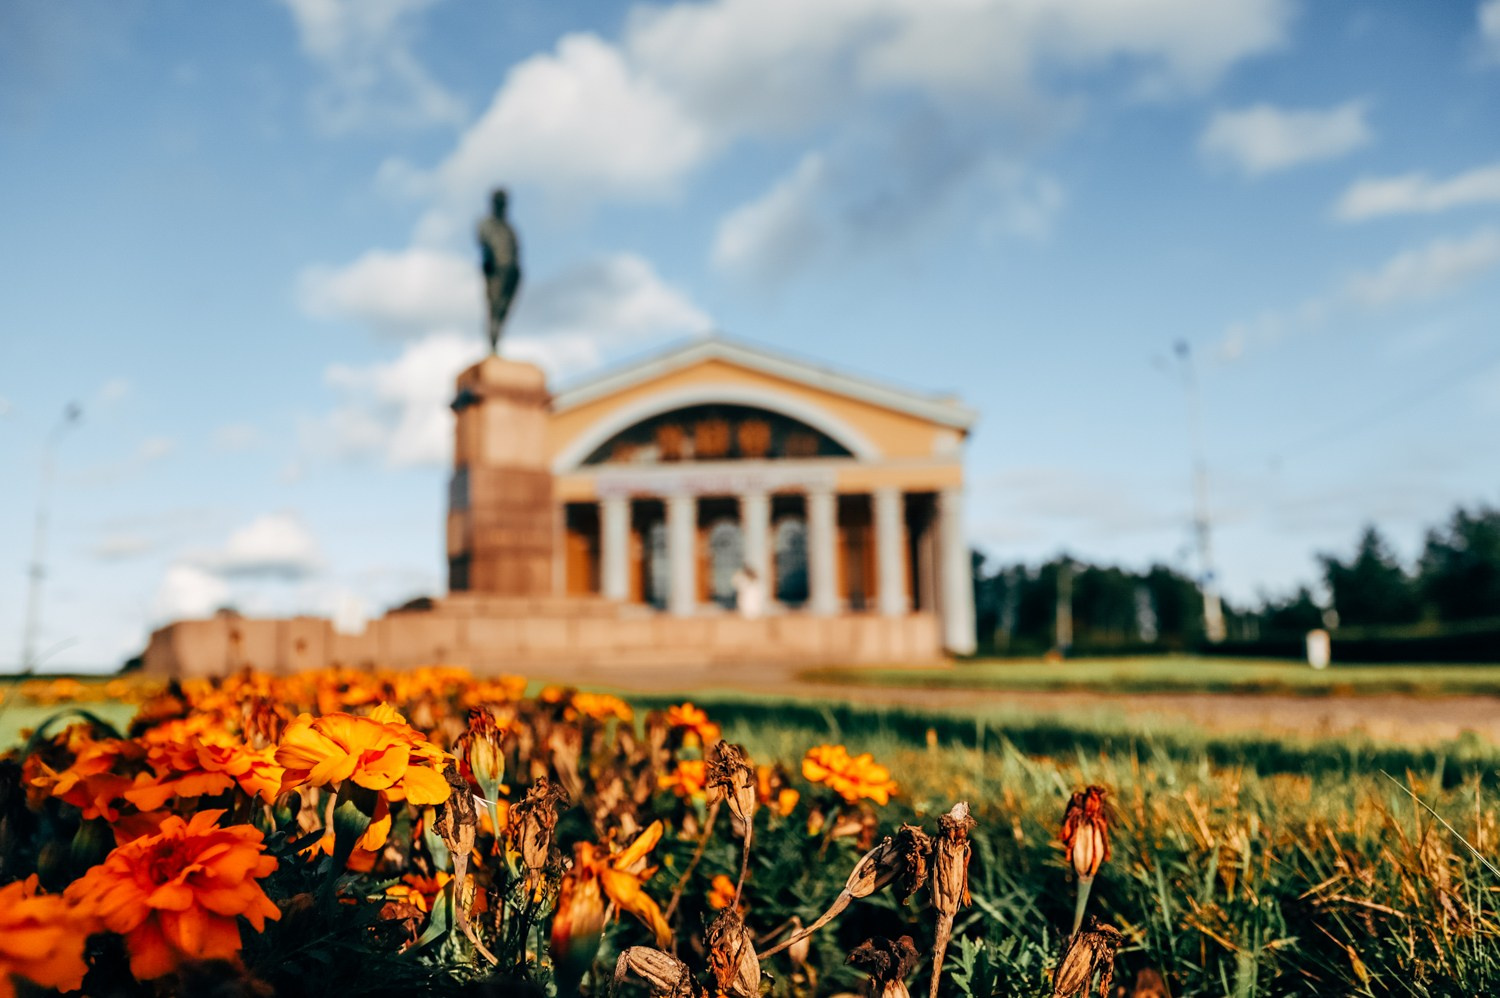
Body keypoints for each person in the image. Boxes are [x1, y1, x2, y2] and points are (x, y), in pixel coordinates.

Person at [478, 188, 521, 352]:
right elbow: (484, 243)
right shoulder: (486, 224)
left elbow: (517, 250)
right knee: (494, 308)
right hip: (496, 272)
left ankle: (497, 341)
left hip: (512, 272)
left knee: (504, 308)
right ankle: (493, 345)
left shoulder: (510, 229)